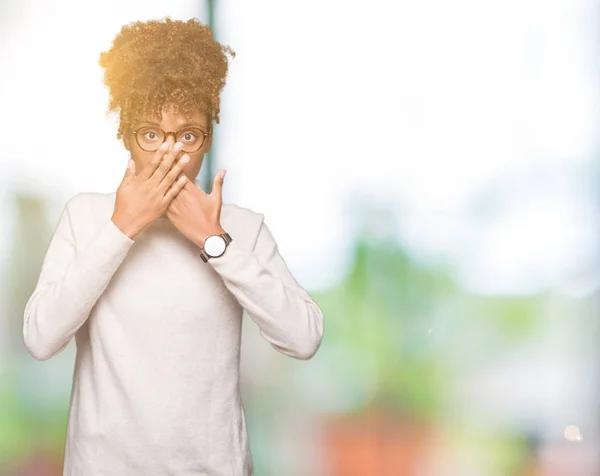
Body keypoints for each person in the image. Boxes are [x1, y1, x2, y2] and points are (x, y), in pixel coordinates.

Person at [22, 17, 324, 476]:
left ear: (206, 140)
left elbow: (303, 338)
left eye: (187, 135)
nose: (169, 155)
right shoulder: (86, 218)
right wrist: (122, 227)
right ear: (126, 137)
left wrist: (214, 242)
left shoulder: (240, 229)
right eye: (150, 134)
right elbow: (41, 338)